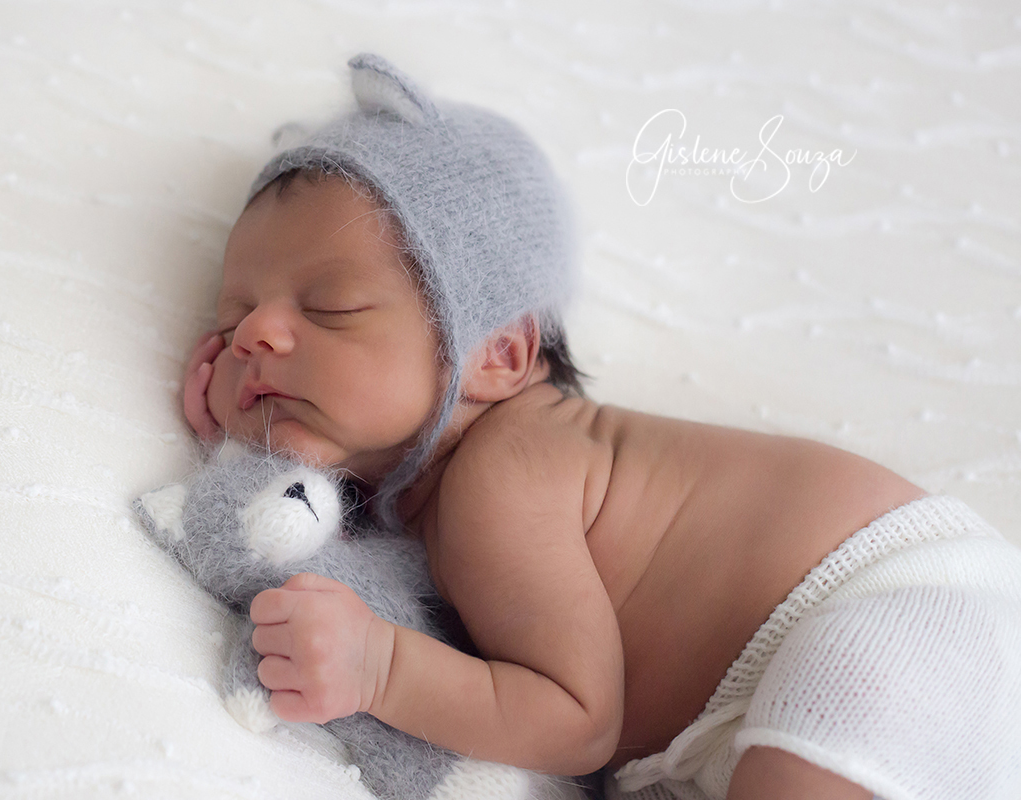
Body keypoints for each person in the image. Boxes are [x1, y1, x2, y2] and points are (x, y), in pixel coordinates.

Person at [181, 54, 1021, 800]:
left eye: (330, 308)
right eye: (235, 316)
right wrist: (234, 449)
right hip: (764, 703)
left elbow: (576, 721)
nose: (259, 335)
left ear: (498, 356)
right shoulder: (430, 501)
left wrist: (379, 664)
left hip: (900, 602)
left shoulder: (507, 467)